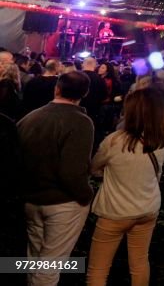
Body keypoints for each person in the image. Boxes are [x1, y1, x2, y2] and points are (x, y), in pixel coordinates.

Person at [86, 87, 164, 285]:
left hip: (115, 211)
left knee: (98, 270)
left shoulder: (115, 141)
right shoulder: (161, 140)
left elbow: (94, 168)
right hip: (148, 208)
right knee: (140, 262)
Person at [18, 71, 94, 286]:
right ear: (85, 93)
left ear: (57, 88)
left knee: (35, 260)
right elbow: (72, 171)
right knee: (50, 266)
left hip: (32, 199)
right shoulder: (80, 122)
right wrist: (86, 196)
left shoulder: (30, 118)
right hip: (62, 203)